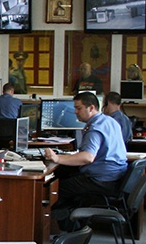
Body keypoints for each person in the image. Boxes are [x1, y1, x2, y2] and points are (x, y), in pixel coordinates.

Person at [43, 92, 128, 231]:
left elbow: (87, 157)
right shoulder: (109, 121)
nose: (75, 112)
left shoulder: (95, 128)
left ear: (91, 108)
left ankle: (66, 227)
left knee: (55, 188)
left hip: (100, 179)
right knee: (64, 174)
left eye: (79, 108)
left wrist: (57, 158)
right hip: (114, 176)